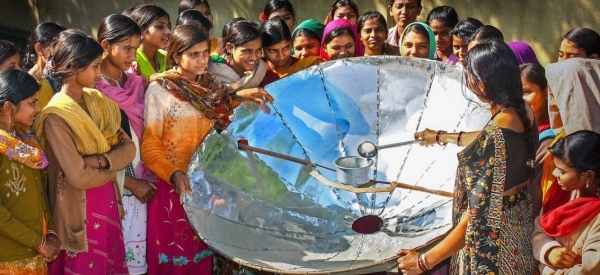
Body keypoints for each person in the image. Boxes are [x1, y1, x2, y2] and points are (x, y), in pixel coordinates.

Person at [141, 24, 273, 274]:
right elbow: (150, 146)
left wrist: (242, 96)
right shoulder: (160, 90)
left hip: (205, 187)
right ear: (176, 55)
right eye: (193, 54)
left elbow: (222, 105)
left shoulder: (211, 86)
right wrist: (175, 174)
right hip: (172, 190)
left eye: (204, 53)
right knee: (177, 264)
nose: (202, 60)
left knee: (202, 263)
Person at [397, 39, 537, 275]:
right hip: (518, 236)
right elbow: (490, 138)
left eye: (471, 75)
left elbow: (476, 219)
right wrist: (442, 136)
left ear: (485, 81)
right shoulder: (523, 111)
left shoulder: (495, 139)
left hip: (493, 252)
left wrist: (423, 262)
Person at [33, 29, 135, 274]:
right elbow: (78, 176)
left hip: (107, 202)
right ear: (73, 67)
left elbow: (129, 148)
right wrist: (113, 169)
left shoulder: (99, 102)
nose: (99, 74)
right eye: (95, 67)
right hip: (78, 211)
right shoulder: (56, 116)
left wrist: (100, 160)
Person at [95, 14, 157, 275]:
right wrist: (129, 182)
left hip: (144, 184)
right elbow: (91, 154)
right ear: (105, 45)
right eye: (126, 48)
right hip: (115, 189)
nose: (133, 54)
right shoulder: (93, 90)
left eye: (136, 47)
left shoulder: (137, 83)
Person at [0, 69, 59, 274]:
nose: (38, 108)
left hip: (35, 252)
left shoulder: (26, 141)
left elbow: (41, 194)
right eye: (32, 102)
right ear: (9, 107)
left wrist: (49, 232)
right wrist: (39, 242)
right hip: (8, 258)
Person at [532, 130, 600, 274]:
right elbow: (540, 227)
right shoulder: (561, 193)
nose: (554, 174)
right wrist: (549, 250)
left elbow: (589, 269)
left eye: (562, 171)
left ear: (588, 175)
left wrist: (544, 268)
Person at [539, 58, 600, 216]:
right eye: (551, 93)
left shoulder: (588, 150)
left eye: (560, 92)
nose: (551, 102)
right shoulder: (560, 137)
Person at [521, 62, 554, 217]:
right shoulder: (521, 128)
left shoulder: (548, 139)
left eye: (527, 92)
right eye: (515, 94)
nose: (521, 100)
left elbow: (534, 194)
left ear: (546, 92)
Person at [210, 19, 280, 88]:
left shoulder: (271, 81)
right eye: (247, 51)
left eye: (258, 50)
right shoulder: (211, 78)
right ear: (230, 48)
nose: (254, 57)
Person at [23, 23, 66, 110]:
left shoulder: (60, 75)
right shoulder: (26, 84)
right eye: (56, 46)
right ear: (39, 48)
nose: (62, 52)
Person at [130, 4, 171, 82]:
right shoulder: (131, 60)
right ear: (141, 30)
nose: (168, 31)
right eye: (159, 26)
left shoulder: (166, 58)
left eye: (169, 26)